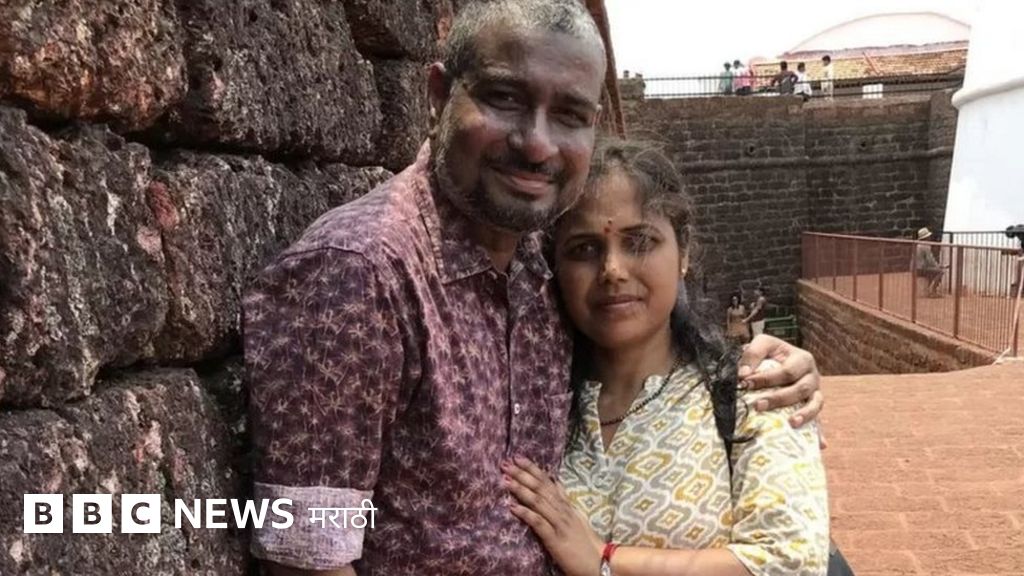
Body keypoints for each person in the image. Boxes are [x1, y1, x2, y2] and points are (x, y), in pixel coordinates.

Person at [244, 2, 825, 574]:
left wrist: (775, 367)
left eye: (570, 114)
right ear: (439, 96)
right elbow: (305, 556)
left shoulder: (540, 262)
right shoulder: (360, 273)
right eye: (504, 98)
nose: (538, 144)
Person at [503, 140, 829, 576]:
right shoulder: (528, 407)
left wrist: (603, 560)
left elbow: (791, 561)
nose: (612, 269)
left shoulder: (754, 391)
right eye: (583, 249)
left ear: (684, 252)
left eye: (640, 242)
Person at [915, 227, 945, 297]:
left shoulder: (918, 245)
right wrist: (938, 266)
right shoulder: (925, 246)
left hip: (916, 268)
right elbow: (930, 260)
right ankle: (933, 291)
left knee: (932, 271)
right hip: (921, 268)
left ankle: (928, 289)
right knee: (940, 272)